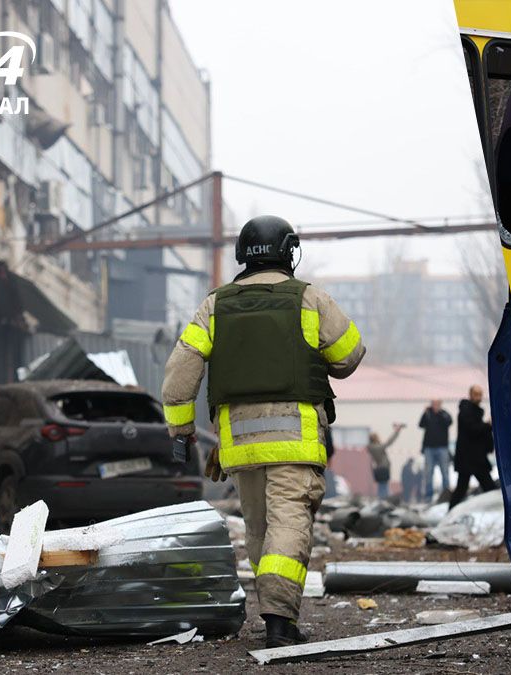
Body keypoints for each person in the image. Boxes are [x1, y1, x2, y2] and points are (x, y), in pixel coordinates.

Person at [161, 215, 365, 648]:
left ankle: (277, 616)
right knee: (288, 526)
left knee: (258, 531)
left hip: (240, 447)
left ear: (242, 255)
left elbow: (180, 372)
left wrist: (181, 429)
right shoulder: (309, 300)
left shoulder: (215, 305)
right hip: (295, 440)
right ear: (289, 251)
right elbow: (350, 356)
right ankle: (278, 622)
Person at [449, 385, 497, 510]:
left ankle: (496, 512)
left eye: (480, 394)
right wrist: (488, 425)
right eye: (476, 394)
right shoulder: (466, 411)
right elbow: (473, 430)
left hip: (475, 458)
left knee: (488, 487)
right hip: (469, 458)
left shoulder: (474, 411)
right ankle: (450, 513)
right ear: (470, 395)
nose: (479, 397)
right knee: (465, 489)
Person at [418, 399, 452, 502]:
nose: (435, 406)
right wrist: (425, 413)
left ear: (440, 404)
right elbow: (421, 425)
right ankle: (429, 496)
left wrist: (440, 413)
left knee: (444, 471)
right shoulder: (428, 414)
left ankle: (446, 495)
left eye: (437, 404)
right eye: (433, 404)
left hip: (442, 447)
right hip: (429, 448)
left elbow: (449, 422)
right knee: (428, 472)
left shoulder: (445, 414)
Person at [367, 423, 404, 499]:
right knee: (384, 487)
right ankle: (384, 500)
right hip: (383, 469)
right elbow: (388, 443)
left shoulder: (371, 447)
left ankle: (383, 499)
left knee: (382, 487)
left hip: (379, 469)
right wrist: (396, 432)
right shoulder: (376, 447)